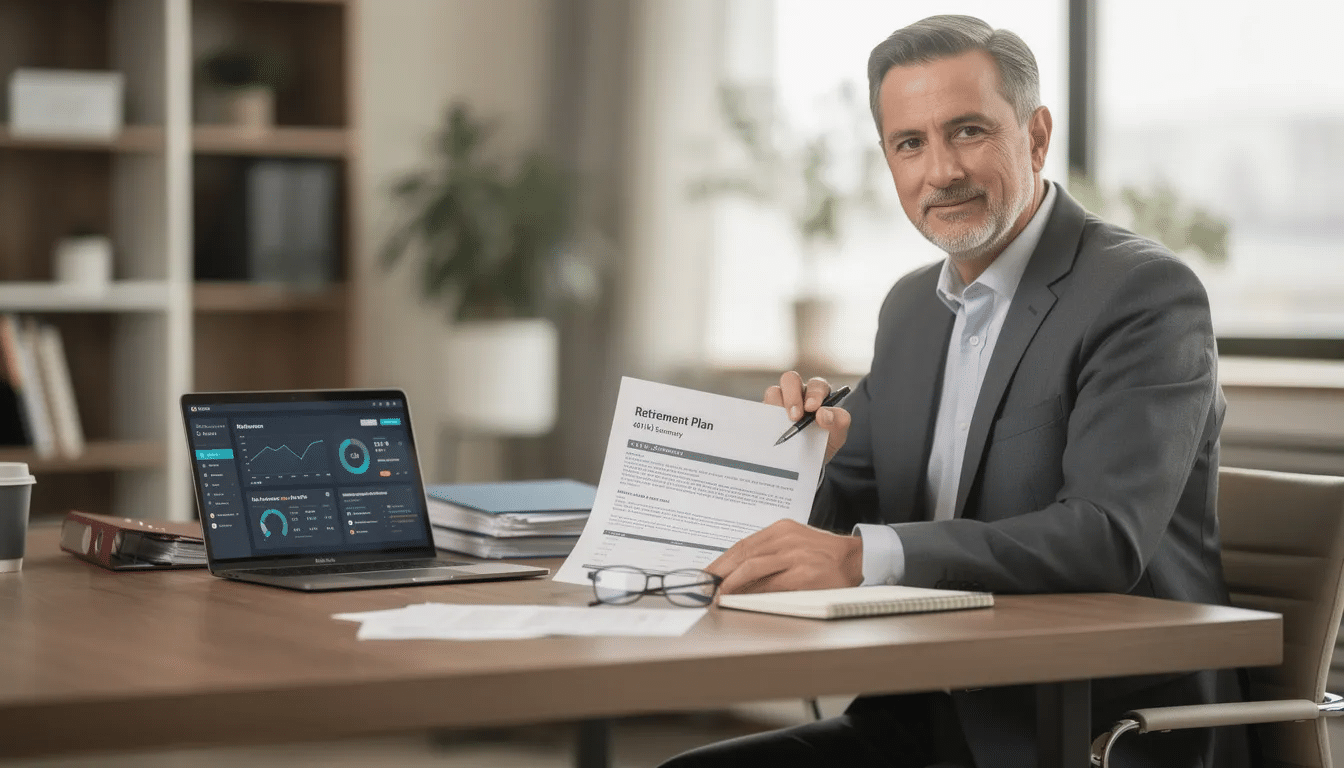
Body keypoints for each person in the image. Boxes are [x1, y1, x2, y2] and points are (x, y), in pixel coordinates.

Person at [659, 14, 1249, 768]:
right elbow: (844, 505)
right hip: (929, 711)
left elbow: (1103, 537)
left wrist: (858, 558)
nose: (940, 172)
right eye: (911, 144)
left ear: (1035, 137)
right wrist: (800, 460)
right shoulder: (911, 309)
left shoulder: (1142, 295)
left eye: (967, 131)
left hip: (1096, 729)